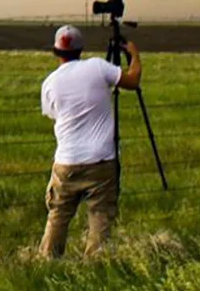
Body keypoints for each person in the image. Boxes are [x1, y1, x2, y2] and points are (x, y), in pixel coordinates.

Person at [38, 24, 142, 259]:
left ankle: (47, 263)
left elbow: (53, 115)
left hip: (66, 161)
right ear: (81, 49)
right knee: (101, 217)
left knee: (58, 216)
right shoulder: (98, 67)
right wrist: (133, 54)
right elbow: (133, 80)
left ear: (56, 51)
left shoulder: (49, 83)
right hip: (101, 160)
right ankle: (95, 265)